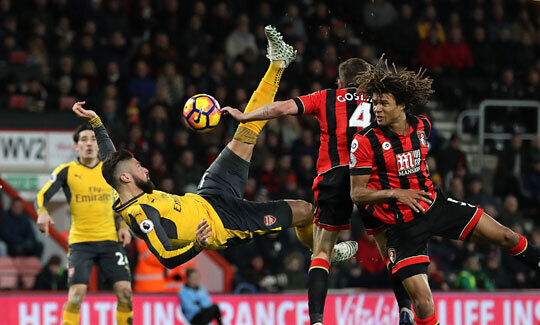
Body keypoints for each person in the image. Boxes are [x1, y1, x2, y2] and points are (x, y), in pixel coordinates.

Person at [70, 26, 355, 272]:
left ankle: (278, 63)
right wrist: (197, 245)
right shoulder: (140, 214)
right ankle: (325, 252)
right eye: (138, 168)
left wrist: (95, 120)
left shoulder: (118, 179)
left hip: (208, 195)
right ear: (126, 179)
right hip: (226, 222)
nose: (144, 167)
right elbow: (166, 256)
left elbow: (111, 159)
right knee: (304, 210)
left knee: (246, 132)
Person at [349, 60, 540, 325]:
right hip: (402, 225)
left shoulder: (422, 126)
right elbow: (357, 194)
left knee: (506, 235)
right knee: (423, 301)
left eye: (384, 103)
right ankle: (407, 310)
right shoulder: (365, 140)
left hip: (436, 206)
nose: (377, 108)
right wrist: (397, 193)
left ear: (403, 105)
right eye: (375, 103)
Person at [223, 57, 413, 325]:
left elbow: (283, 107)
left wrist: (246, 115)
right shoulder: (379, 102)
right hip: (370, 177)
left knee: (322, 253)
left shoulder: (326, 97)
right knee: (387, 249)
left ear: (340, 82)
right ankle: (405, 309)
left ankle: (317, 321)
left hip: (333, 175)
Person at [36, 124, 133, 325]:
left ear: (99, 146)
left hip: (109, 240)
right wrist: (43, 212)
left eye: (93, 139)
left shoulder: (109, 171)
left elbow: (125, 200)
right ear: (75, 146)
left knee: (125, 291)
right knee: (77, 293)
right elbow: (43, 194)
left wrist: (124, 225)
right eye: (83, 139)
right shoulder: (66, 171)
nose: (88, 143)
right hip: (81, 242)